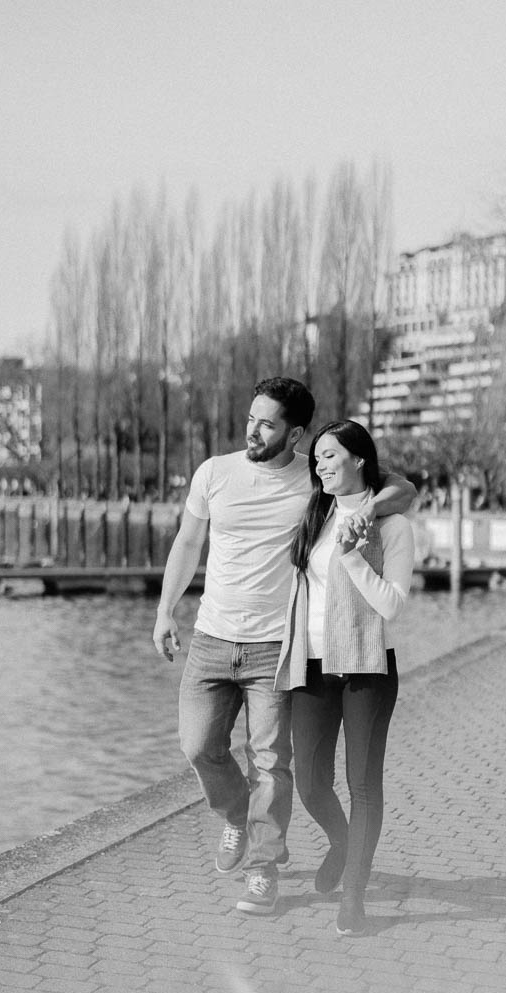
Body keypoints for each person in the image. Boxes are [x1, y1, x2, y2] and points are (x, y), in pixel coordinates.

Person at [153, 378, 416, 916]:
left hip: (276, 645)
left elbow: (401, 489)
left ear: (294, 433)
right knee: (198, 745)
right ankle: (234, 814)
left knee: (272, 763)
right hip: (211, 636)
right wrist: (165, 611)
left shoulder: (315, 479)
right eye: (251, 418)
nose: (253, 430)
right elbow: (187, 542)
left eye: (267, 423)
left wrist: (369, 511)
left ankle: (263, 869)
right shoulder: (214, 473)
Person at [275, 420, 415, 936]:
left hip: (367, 667)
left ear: (359, 459)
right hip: (311, 664)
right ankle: (341, 842)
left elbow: (392, 606)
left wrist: (354, 554)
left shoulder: (393, 525)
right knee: (311, 780)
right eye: (316, 459)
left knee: (363, 784)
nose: (320, 466)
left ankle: (353, 897)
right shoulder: (315, 513)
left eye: (330, 456)